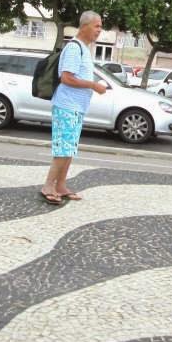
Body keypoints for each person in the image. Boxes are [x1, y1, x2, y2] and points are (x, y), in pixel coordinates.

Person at [40, 11, 107, 205]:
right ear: (85, 26)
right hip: (67, 106)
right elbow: (66, 78)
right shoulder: (74, 48)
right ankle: (48, 186)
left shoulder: (84, 49)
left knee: (69, 149)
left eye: (100, 27)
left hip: (76, 107)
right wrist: (93, 85)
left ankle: (61, 185)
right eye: (97, 26)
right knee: (63, 149)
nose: (99, 31)